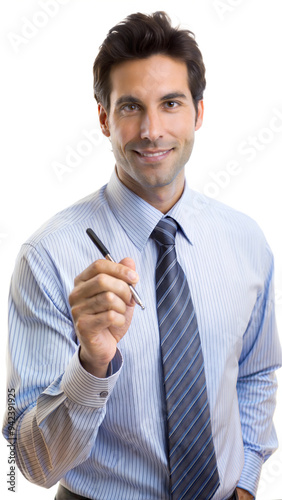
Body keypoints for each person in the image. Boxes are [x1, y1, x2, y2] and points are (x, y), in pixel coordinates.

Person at [3, 11, 282, 500]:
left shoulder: (246, 240)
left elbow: (256, 373)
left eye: (170, 103)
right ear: (104, 118)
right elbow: (32, 463)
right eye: (131, 107)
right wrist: (91, 362)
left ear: (197, 112)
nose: (152, 130)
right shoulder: (47, 256)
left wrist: (245, 481)